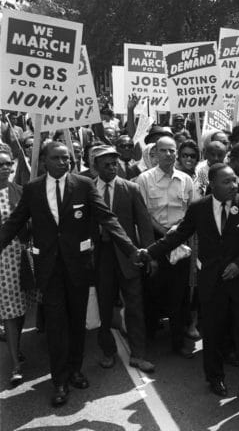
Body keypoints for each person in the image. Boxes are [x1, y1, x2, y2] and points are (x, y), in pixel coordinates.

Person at [0, 141, 138, 407]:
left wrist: (131, 248)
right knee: (55, 325)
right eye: (57, 158)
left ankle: (75, 369)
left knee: (77, 322)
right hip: (48, 270)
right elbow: (15, 222)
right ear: (43, 161)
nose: (64, 162)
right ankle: (59, 380)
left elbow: (107, 218)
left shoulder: (84, 186)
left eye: (67, 158)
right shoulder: (33, 189)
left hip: (78, 267)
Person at [137, 163, 239, 403]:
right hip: (212, 283)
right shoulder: (199, 208)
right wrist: (150, 252)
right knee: (214, 333)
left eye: (234, 181)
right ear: (212, 185)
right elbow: (177, 235)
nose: (233, 185)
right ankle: (215, 377)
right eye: (226, 181)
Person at [91, 146, 156, 373]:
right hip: (101, 256)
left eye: (114, 164)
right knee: (104, 306)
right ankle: (108, 351)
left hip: (129, 256)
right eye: (106, 164)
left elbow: (144, 224)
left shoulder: (130, 188)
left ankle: (139, 354)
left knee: (135, 306)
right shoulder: (86, 188)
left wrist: (149, 254)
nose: (111, 168)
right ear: (95, 166)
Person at [134, 137, 195, 358]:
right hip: (155, 244)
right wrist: (165, 234)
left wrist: (178, 232)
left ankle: (178, 342)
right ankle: (149, 337)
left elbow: (190, 211)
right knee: (153, 291)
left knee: (179, 295)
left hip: (180, 244)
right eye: (163, 151)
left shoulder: (186, 179)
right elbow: (143, 214)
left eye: (172, 151)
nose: (168, 155)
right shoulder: (144, 179)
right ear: (155, 154)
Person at [0, 149, 36, 387]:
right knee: (10, 313)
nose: (4, 168)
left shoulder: (21, 192)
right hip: (2, 261)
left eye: (7, 165)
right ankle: (15, 364)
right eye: (0, 165)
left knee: (21, 308)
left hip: (22, 257)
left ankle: (17, 344)